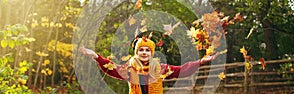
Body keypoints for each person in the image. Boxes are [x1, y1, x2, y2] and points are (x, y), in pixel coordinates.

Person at [80, 37, 219, 94]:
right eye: (141, 49)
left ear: (152, 53)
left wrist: (201, 62)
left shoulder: (160, 68)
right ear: (137, 52)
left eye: (147, 50)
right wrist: (95, 56)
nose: (144, 52)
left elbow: (182, 70)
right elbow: (112, 68)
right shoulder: (130, 68)